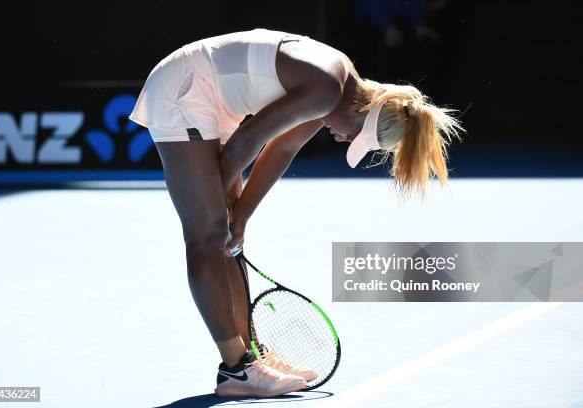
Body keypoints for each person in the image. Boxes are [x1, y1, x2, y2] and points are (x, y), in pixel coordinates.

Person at [129, 27, 463, 397]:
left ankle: (250, 356)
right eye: (357, 135)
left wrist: (240, 216)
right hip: (185, 89)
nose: (346, 141)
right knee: (207, 235)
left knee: (228, 240)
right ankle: (236, 371)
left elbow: (282, 148)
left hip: (212, 99)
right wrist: (218, 207)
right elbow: (248, 141)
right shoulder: (326, 88)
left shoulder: (337, 89)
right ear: (361, 112)